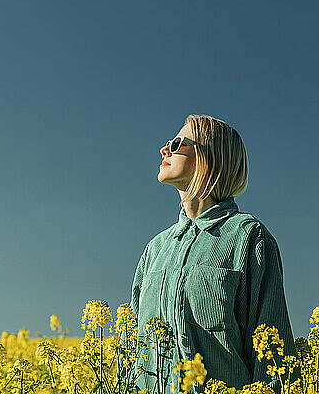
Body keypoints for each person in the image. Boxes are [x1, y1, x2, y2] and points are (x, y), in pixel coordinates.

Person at [128, 115, 300, 394]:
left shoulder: (248, 237)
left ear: (210, 156)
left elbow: (274, 361)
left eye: (177, 143)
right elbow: (131, 352)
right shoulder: (155, 249)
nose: (165, 149)